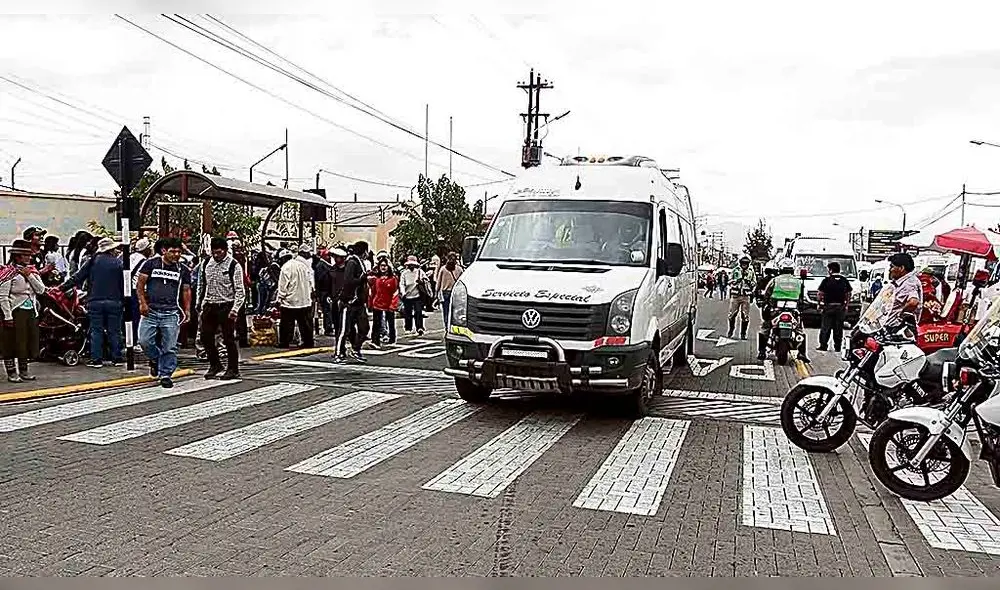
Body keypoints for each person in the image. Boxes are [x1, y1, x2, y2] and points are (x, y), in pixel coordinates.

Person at [135, 237, 192, 388]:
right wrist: (142, 303)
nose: (176, 255)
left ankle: (165, 374)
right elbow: (140, 285)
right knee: (144, 341)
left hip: (171, 313)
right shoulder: (150, 264)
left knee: (170, 346)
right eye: (173, 251)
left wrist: (187, 310)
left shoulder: (183, 270)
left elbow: (186, 290)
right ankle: (156, 359)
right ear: (164, 251)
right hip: (151, 312)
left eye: (179, 252)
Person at [64, 237, 125, 368]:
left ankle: (96, 359)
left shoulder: (92, 261)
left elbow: (77, 277)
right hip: (115, 301)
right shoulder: (119, 263)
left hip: (95, 301)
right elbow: (123, 283)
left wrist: (61, 288)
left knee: (96, 330)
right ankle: (117, 358)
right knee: (114, 330)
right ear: (112, 249)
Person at [196, 237, 246, 379]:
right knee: (205, 336)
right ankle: (215, 364)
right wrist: (199, 304)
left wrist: (235, 309)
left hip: (227, 305)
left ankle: (233, 368)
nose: (216, 255)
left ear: (225, 250)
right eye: (214, 252)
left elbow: (240, 290)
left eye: (219, 252)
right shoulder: (206, 263)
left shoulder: (234, 265)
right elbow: (202, 285)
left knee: (228, 339)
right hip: (209, 304)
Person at [0, 239, 45, 382]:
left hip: (30, 311)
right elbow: (3, 297)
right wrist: (7, 316)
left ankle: (24, 371)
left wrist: (29, 275)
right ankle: (12, 372)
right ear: (18, 256)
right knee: (12, 342)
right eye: (26, 255)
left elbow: (41, 290)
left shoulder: (31, 271)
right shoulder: (8, 273)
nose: (29, 258)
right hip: (15, 311)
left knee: (26, 342)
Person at [758, 258, 810, 363]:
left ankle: (762, 351)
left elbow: (767, 293)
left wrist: (765, 303)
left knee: (765, 328)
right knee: (799, 329)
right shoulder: (798, 282)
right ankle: (802, 353)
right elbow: (802, 298)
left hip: (776, 310)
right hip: (793, 311)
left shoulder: (775, 280)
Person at [336, 241, 371, 362]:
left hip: (360, 302)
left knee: (364, 328)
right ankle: (339, 353)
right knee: (344, 330)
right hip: (350, 301)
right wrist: (361, 279)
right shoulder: (352, 262)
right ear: (364, 251)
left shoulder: (359, 263)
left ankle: (355, 348)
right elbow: (348, 281)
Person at [275, 245, 316, 349]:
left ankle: (284, 342)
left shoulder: (285, 267)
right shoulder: (303, 266)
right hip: (305, 300)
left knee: (287, 324)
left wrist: (279, 299)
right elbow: (311, 282)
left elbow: (283, 286)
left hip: (290, 301)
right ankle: (308, 342)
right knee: (305, 324)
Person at [816, 260, 852, 352]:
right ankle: (837, 346)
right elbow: (848, 293)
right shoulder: (844, 280)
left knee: (825, 327)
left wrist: (819, 303)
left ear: (831, 270)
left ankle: (823, 345)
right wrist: (846, 305)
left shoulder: (826, 280)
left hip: (828, 307)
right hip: (840, 307)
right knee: (838, 328)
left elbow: (820, 293)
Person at [884, 252, 923, 333]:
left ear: (901, 268)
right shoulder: (899, 282)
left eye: (892, 267)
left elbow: (913, 302)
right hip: (888, 327)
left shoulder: (909, 282)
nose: (890, 270)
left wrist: (899, 317)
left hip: (897, 330)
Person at [369, 258, 399, 347]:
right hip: (377, 304)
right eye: (381, 265)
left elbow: (395, 292)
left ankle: (392, 339)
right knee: (376, 324)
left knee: (391, 322)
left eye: (385, 266)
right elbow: (373, 292)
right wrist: (370, 303)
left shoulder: (393, 279)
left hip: (389, 304)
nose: (383, 268)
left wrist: (393, 305)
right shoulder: (376, 279)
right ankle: (375, 341)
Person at [728, 254, 757, 339]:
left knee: (745, 316)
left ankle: (743, 333)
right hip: (735, 295)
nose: (744, 265)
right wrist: (736, 281)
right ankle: (731, 329)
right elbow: (729, 281)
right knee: (732, 314)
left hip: (746, 296)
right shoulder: (735, 270)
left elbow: (754, 282)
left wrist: (749, 283)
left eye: (746, 263)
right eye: (743, 263)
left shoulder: (751, 271)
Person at [399, 255, 427, 335]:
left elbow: (426, 280)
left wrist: (421, 282)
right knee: (408, 313)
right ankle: (408, 327)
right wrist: (403, 293)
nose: (411, 266)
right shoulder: (404, 273)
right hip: (407, 296)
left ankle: (420, 327)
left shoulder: (419, 272)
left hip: (417, 295)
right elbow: (402, 284)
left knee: (418, 312)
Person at [436, 252, 463, 324]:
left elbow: (438, 282)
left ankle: (446, 325)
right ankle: (454, 324)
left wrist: (436, 292)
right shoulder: (459, 269)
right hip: (456, 292)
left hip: (445, 292)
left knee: (446, 310)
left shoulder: (443, 269)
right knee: (455, 310)